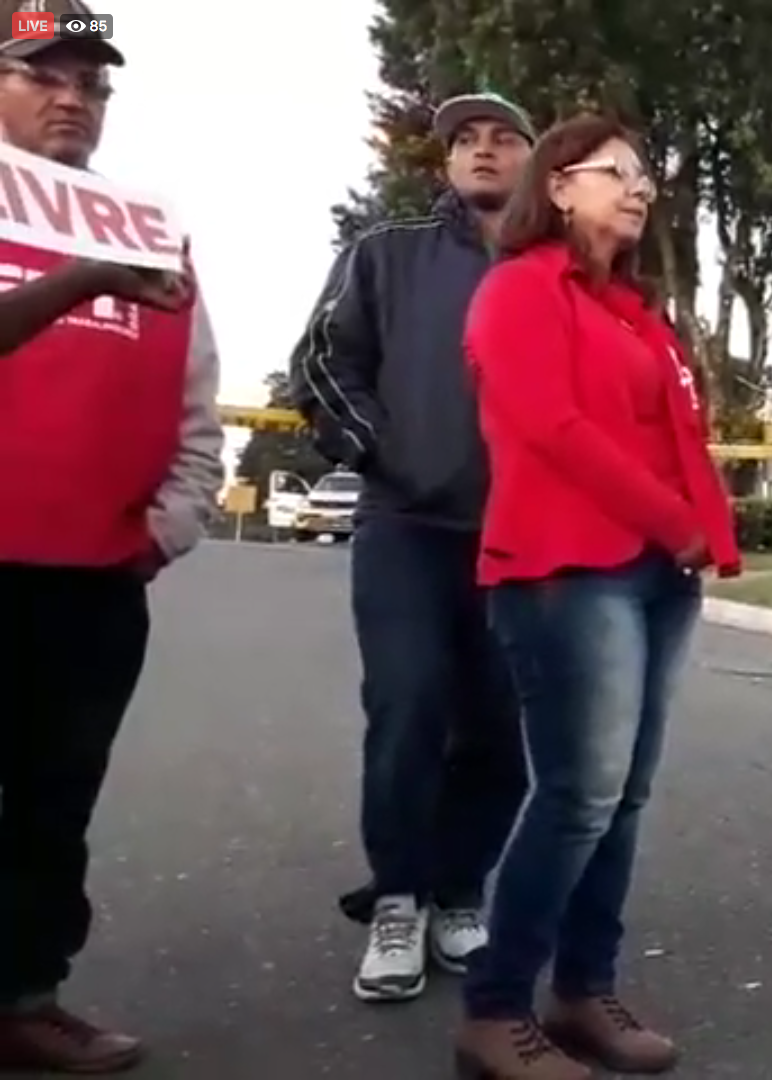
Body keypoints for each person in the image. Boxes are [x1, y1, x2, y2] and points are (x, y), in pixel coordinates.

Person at [454, 113, 739, 1080]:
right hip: (565, 570)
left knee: (622, 799)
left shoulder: (637, 314)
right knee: (578, 795)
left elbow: (680, 438)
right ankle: (496, 1008)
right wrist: (675, 520)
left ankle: (583, 990)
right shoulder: (517, 290)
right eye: (618, 172)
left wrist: (704, 535)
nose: (640, 188)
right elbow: (555, 427)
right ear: (561, 185)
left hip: (661, 572)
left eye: (645, 175)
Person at [0, 4, 225, 1069]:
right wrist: (79, 280)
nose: (71, 100)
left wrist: (169, 525)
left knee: (53, 802)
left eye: (92, 86)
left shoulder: (147, 226)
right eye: (45, 76)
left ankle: (24, 996)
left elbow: (197, 405)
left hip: (91, 578)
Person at [288, 91, 537, 1003]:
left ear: (531, 162)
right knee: (409, 707)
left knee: (501, 729)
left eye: (502, 139)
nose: (481, 151)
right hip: (406, 530)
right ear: (445, 163)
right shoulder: (382, 254)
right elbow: (319, 362)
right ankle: (398, 897)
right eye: (464, 140)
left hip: (521, 539)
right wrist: (383, 451)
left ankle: (460, 892)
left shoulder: (555, 267)